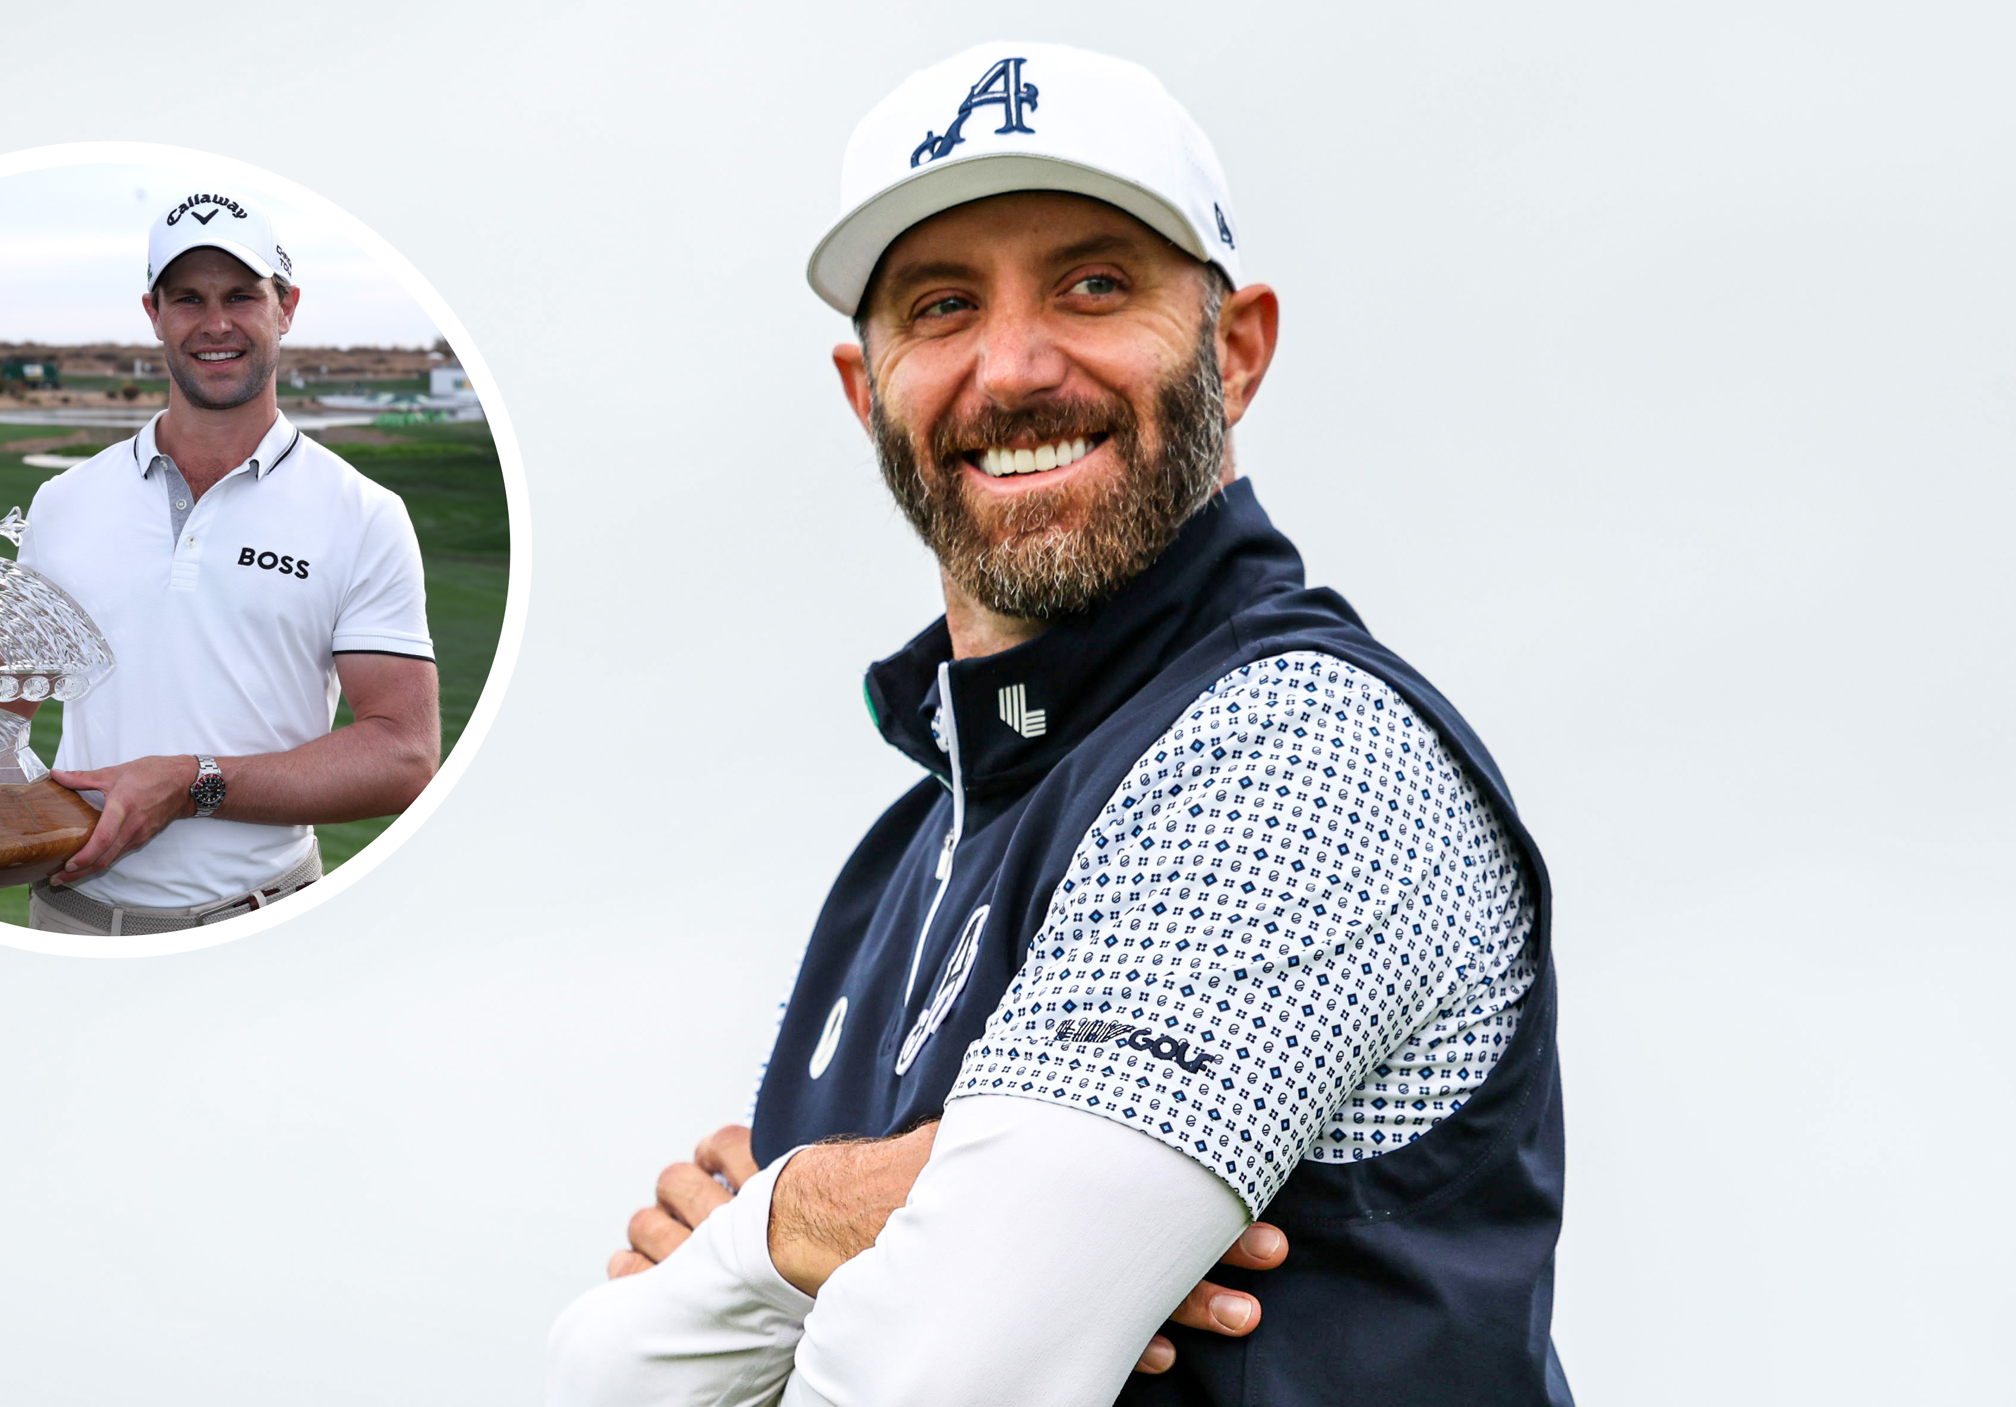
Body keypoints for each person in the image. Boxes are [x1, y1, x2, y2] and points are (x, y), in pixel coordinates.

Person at [547, 42, 1568, 1407]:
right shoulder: (904, 859)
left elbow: (938, 1380)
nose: (1015, 368)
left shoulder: (1301, 750)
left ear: (1236, 349)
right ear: (866, 390)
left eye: (1094, 285)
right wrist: (796, 1225)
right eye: (942, 304)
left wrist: (752, 1257)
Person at [0, 190, 441, 935]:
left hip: (263, 923)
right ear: (153, 314)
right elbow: (2, 693)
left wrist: (195, 783)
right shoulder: (66, 500)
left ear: (286, 306)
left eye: (241, 295)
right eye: (188, 298)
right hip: (70, 919)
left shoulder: (362, 514)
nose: (215, 323)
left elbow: (403, 754)